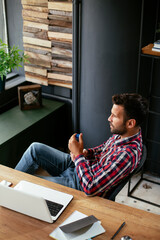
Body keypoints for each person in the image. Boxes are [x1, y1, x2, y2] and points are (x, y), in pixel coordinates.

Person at [15, 93, 148, 197]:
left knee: (28, 183)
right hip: (82, 167)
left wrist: (78, 156)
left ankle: (10, 193)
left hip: (80, 185)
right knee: (35, 149)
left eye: (114, 116)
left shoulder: (127, 155)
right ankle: (9, 189)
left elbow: (90, 188)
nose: (109, 119)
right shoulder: (124, 134)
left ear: (130, 123)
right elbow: (103, 150)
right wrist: (85, 153)